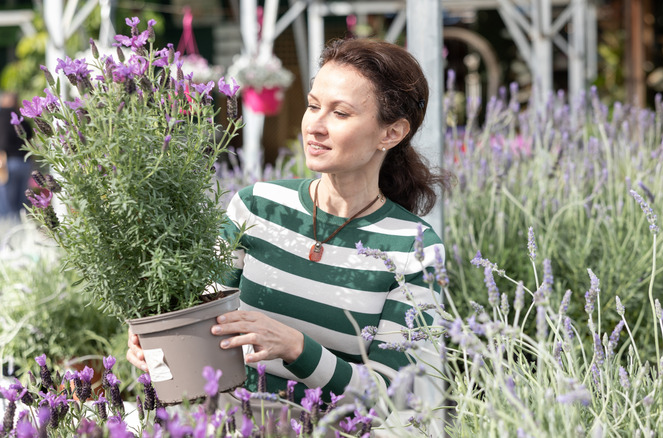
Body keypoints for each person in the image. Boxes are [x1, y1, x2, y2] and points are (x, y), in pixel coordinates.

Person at [127, 38, 449, 407]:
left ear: (391, 133)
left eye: (340, 113)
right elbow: (202, 319)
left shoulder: (414, 247)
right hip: (229, 422)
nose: (315, 125)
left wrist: (296, 347)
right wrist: (163, 341)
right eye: (313, 106)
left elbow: (391, 392)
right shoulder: (258, 206)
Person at [0, 92, 31, 220]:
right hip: (25, 163)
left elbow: (3, 141)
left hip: (8, 162)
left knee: (6, 204)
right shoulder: (23, 118)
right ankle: (22, 231)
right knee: (21, 203)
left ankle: (9, 234)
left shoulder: (1, 117)